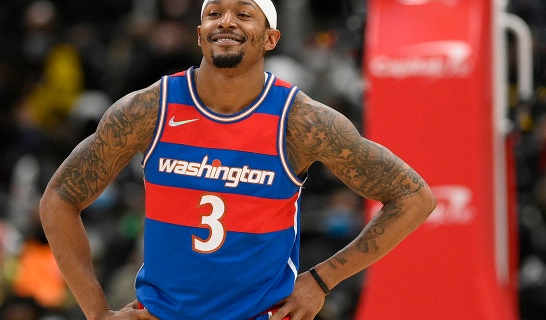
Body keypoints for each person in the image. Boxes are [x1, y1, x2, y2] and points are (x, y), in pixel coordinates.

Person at [38, 0, 437, 319]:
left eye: (244, 13)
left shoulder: (302, 121)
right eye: (214, 13)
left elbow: (413, 197)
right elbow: (58, 199)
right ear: (199, 34)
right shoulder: (149, 110)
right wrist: (97, 313)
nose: (226, 21)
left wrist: (321, 280)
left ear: (270, 38)